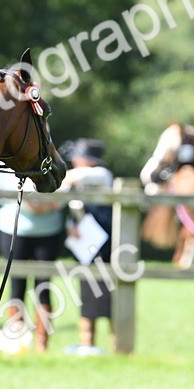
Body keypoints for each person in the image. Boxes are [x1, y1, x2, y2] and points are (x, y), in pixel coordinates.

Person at [0, 169, 65, 352]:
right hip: (13, 229)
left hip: (48, 231)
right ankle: (18, 340)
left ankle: (42, 344)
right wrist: (28, 202)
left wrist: (49, 205)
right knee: (17, 285)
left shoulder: (45, 156)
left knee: (43, 287)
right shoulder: (4, 165)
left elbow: (64, 188)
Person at [60, 139, 113, 354]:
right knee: (85, 292)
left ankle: (115, 343)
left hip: (106, 244)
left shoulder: (101, 174)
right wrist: (69, 226)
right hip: (85, 244)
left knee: (109, 295)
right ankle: (87, 343)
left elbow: (74, 177)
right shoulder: (79, 179)